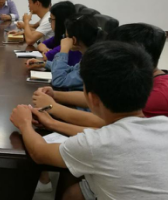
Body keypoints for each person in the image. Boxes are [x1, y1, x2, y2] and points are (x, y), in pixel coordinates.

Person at [5, 41, 168, 200]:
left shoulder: (99, 143)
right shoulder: (161, 125)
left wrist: (24, 123)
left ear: (91, 99)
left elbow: (39, 153)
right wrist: (50, 121)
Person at [31, 23, 168, 136]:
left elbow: (104, 125)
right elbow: (100, 98)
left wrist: (53, 109)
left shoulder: (153, 96)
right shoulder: (135, 78)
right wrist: (55, 95)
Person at [50, 14, 105, 91]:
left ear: (74, 40)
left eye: (66, 36)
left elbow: (58, 81)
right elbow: (73, 70)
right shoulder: (91, 55)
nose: (64, 39)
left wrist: (64, 50)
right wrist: (45, 64)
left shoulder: (93, 62)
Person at [26, 1, 81, 69]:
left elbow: (47, 57)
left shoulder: (71, 41)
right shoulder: (61, 35)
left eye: (51, 19)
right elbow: (41, 44)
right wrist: (45, 49)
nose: (50, 22)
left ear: (60, 21)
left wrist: (46, 53)